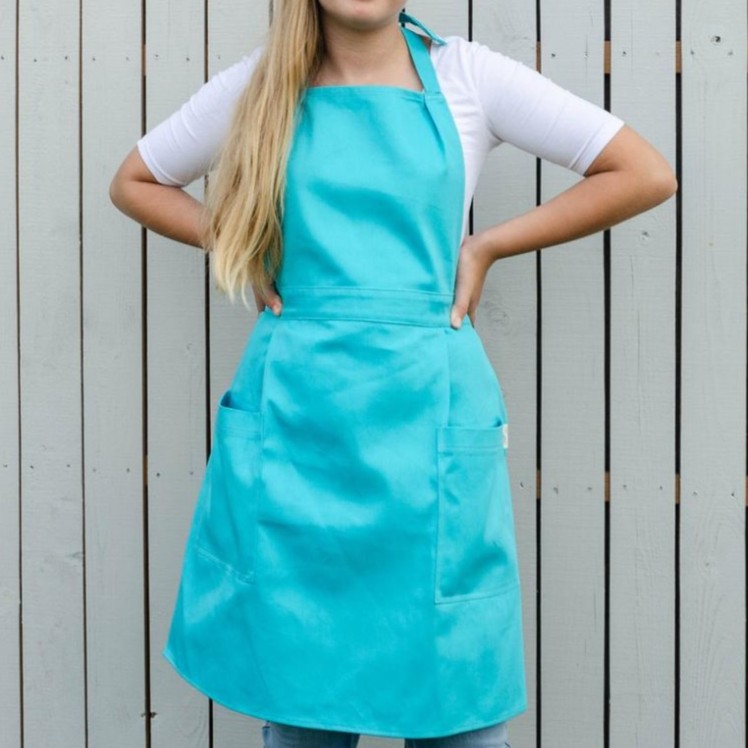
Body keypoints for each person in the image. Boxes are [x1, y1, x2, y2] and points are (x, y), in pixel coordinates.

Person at [109, 2, 677, 747]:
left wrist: (486, 246)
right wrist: (238, 238)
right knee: (304, 714)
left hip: (428, 431)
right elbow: (136, 182)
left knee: (459, 715)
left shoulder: (468, 76)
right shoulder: (262, 86)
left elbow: (643, 172)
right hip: (299, 429)